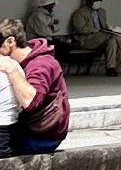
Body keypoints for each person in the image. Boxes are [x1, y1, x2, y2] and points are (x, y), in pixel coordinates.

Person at [0, 18, 70, 155]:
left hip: (43, 136)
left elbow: (30, 102)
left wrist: (11, 69)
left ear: (10, 42)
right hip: (29, 126)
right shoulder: (25, 58)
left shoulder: (41, 64)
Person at [63, 0, 121, 76]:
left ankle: (110, 68)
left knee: (112, 41)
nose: (98, 2)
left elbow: (104, 25)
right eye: (96, 0)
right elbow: (81, 29)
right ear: (89, 1)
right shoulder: (80, 13)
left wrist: (110, 29)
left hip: (100, 38)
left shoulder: (102, 12)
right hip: (86, 40)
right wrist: (97, 30)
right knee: (111, 36)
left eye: (100, 0)